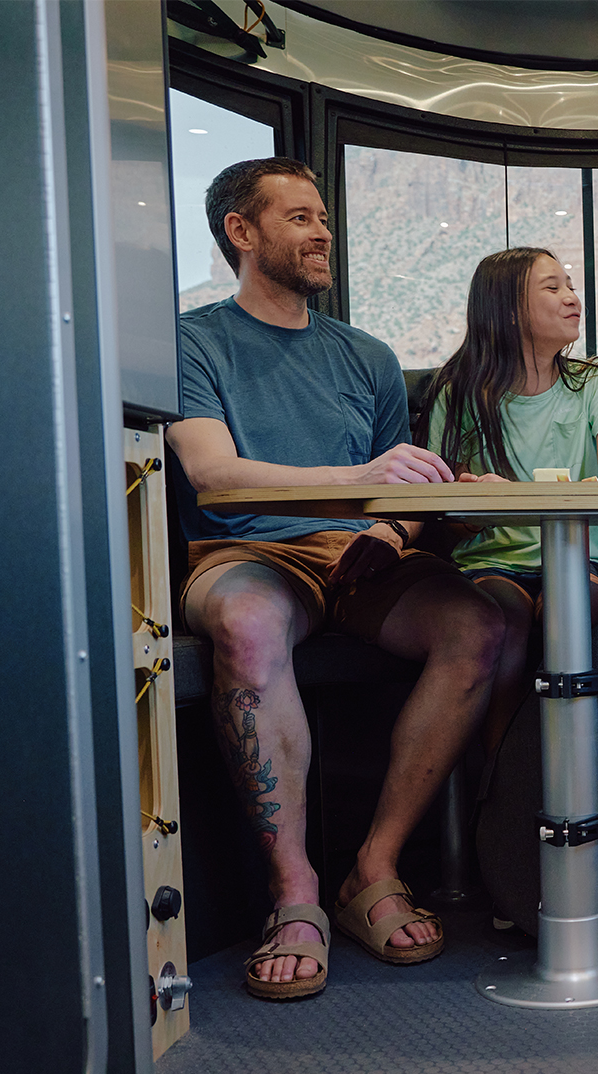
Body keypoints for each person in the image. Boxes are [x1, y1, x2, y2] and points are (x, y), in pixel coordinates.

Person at [168, 157, 508, 1001]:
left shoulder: (367, 354)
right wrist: (362, 475)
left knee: (481, 626)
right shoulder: (191, 339)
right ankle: (295, 896)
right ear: (241, 233)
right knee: (245, 625)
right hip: (249, 552)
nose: (322, 232)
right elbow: (212, 475)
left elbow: (402, 491)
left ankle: (374, 868)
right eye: (298, 218)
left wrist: (392, 529)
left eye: (323, 217)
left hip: (360, 559)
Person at [415, 248, 598, 769]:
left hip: (580, 560)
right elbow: (447, 514)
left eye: (570, 286)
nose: (571, 298)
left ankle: (575, 774)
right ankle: (503, 780)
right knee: (506, 623)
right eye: (552, 288)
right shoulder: (458, 391)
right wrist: (477, 498)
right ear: (510, 309)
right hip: (493, 563)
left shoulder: (595, 382)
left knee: (569, 613)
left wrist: (514, 495)